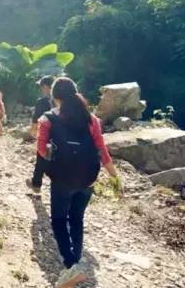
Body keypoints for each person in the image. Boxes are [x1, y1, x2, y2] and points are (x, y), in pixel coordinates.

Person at [36, 77, 121, 288]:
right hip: (88, 178)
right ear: (75, 93)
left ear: (54, 96)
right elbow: (102, 149)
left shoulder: (47, 119)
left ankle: (72, 265)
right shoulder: (91, 119)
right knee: (76, 219)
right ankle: (76, 261)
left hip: (62, 179)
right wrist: (114, 176)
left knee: (58, 220)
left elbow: (41, 150)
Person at [26, 75, 55, 193]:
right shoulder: (66, 101)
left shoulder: (42, 102)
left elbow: (35, 119)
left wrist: (33, 131)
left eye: (42, 87)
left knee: (41, 159)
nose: (42, 89)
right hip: (63, 136)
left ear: (46, 87)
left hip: (47, 136)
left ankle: (36, 185)